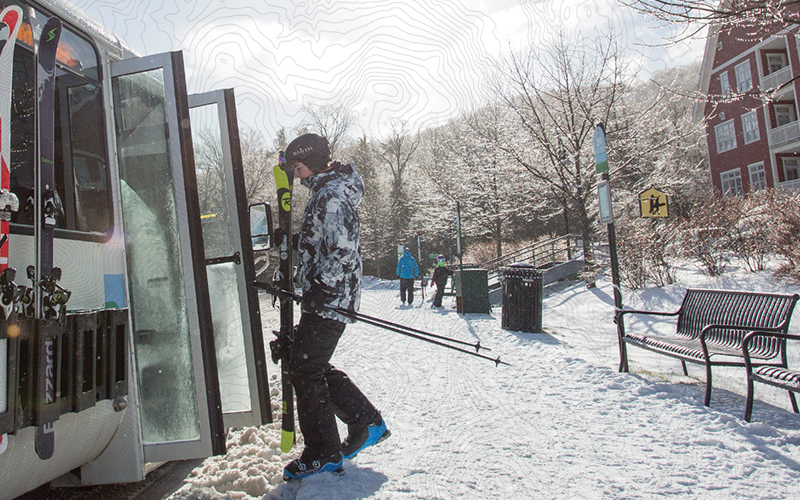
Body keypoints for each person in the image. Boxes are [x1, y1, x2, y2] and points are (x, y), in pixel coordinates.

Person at [281, 133, 390, 481]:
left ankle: (324, 453)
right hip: (326, 297)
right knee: (309, 364)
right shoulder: (327, 194)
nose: (297, 176)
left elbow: (343, 253)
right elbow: (325, 243)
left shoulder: (330, 197)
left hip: (329, 299)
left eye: (298, 168)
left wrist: (321, 288)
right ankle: (365, 421)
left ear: (311, 163)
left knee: (305, 369)